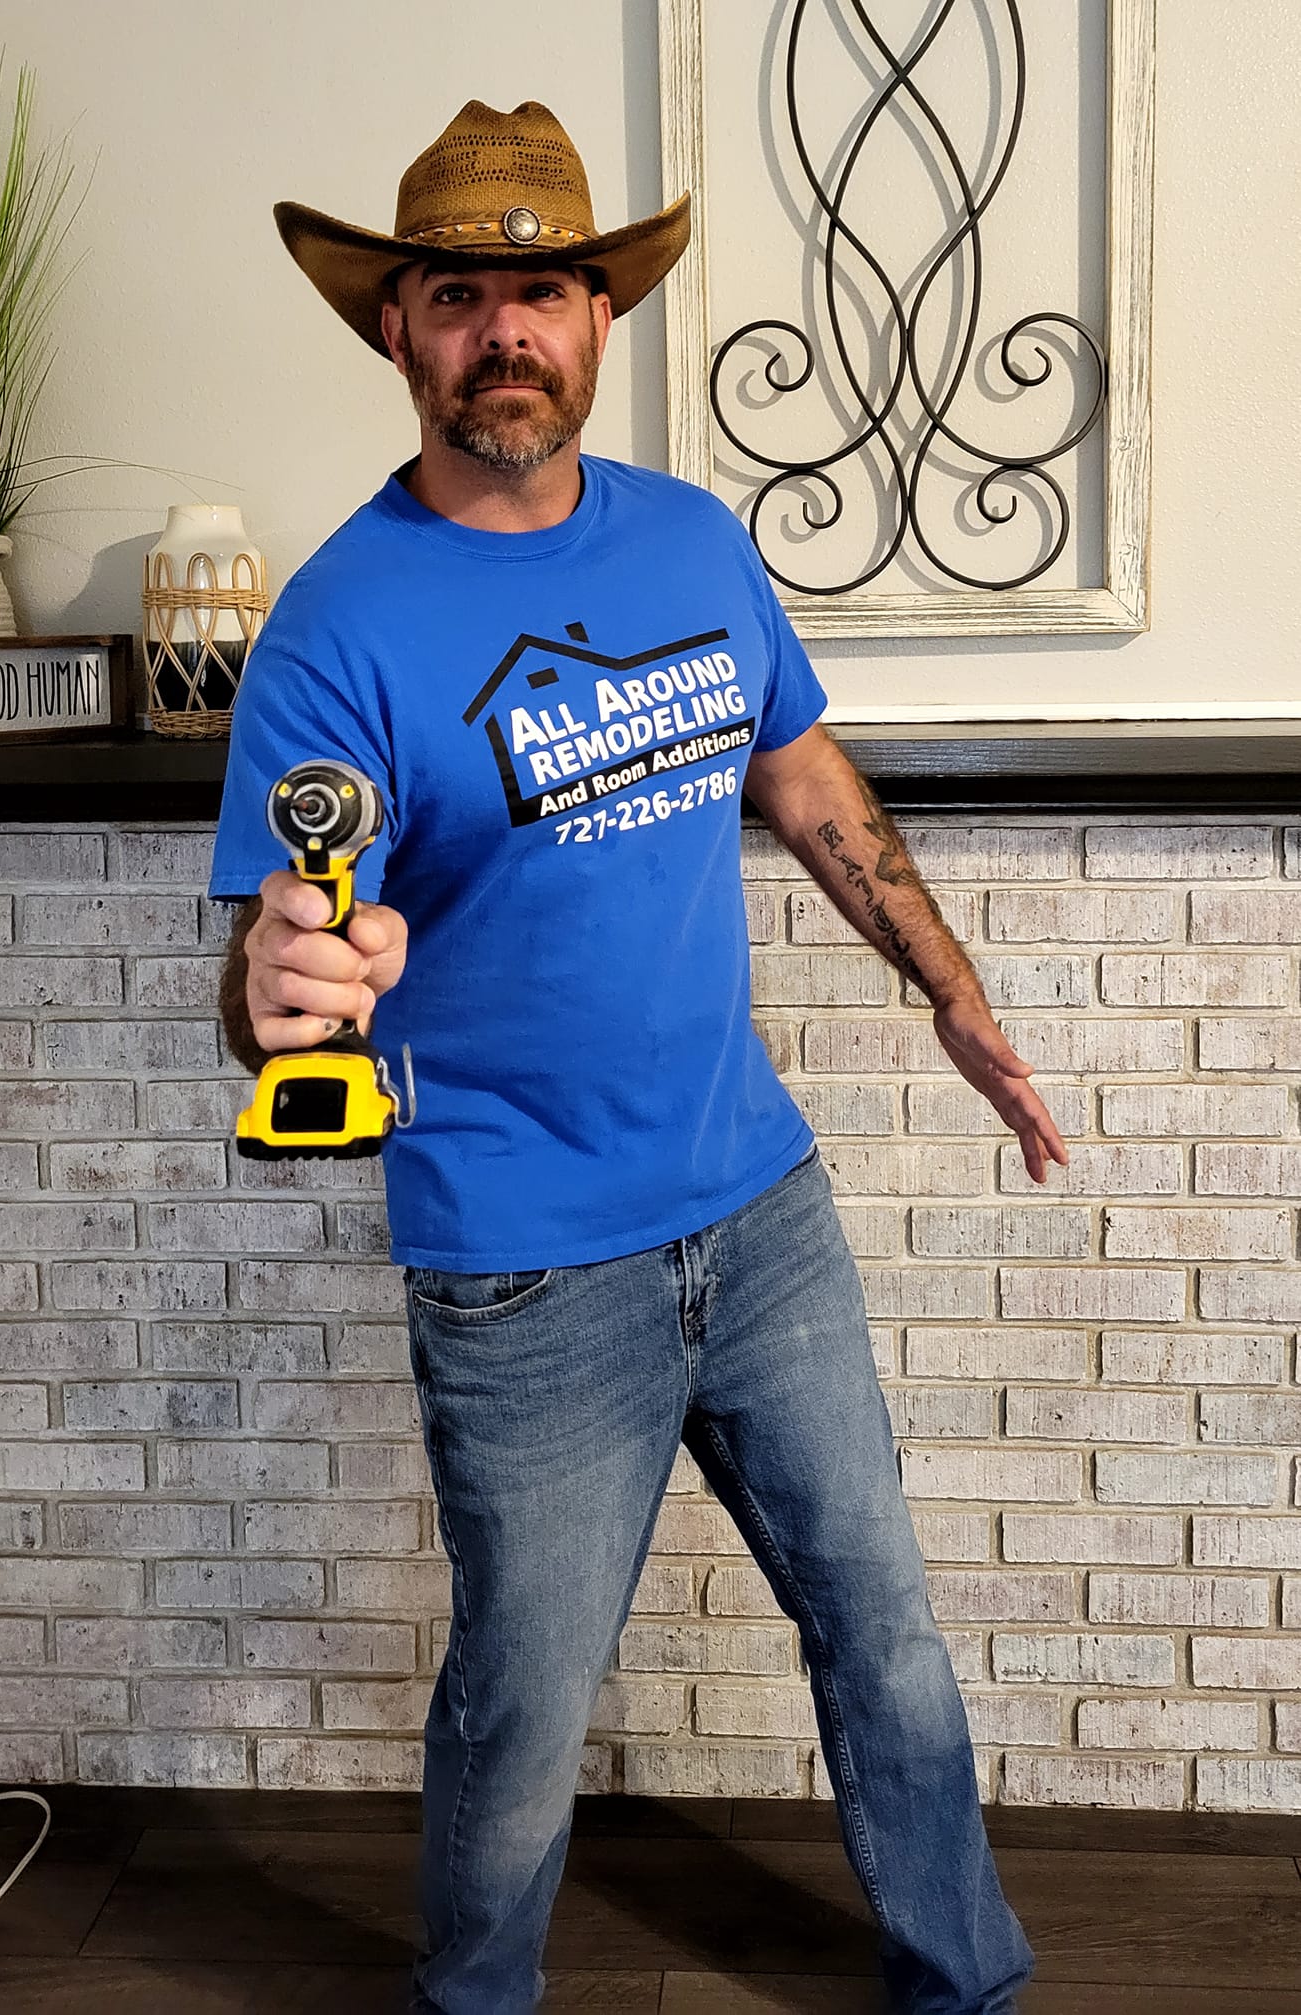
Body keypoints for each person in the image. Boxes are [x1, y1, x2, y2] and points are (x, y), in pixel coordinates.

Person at [210, 98, 1064, 2015]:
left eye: (543, 288)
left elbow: (798, 764)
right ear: (397, 332)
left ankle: (970, 1985)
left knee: (886, 1637)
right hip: (520, 1263)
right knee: (520, 1710)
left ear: (601, 319)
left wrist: (943, 986)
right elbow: (276, 941)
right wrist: (278, 982)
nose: (504, 330)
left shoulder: (692, 541)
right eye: (457, 296)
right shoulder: (335, 627)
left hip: (756, 1209)